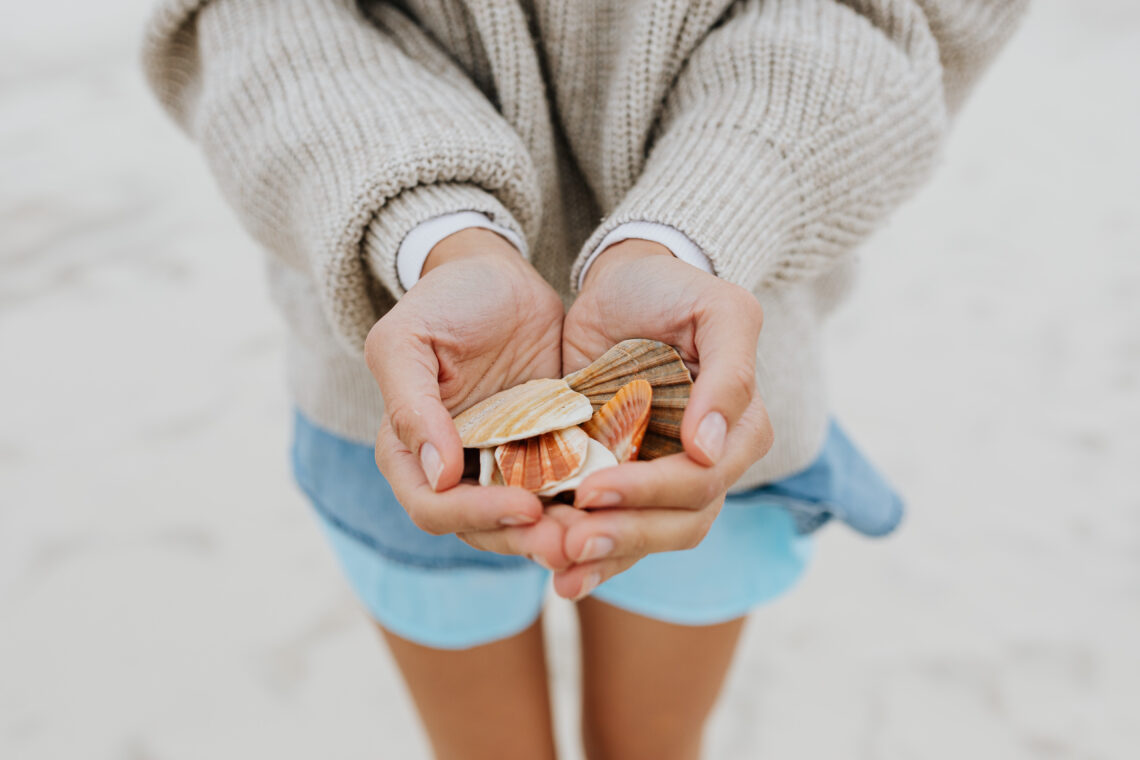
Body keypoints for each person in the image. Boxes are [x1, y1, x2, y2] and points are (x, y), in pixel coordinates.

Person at [143, 1, 1027, 757]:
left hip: (702, 385)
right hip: (410, 386)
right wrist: (435, 232)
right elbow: (255, 22)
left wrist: (695, 228)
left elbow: (895, 18)